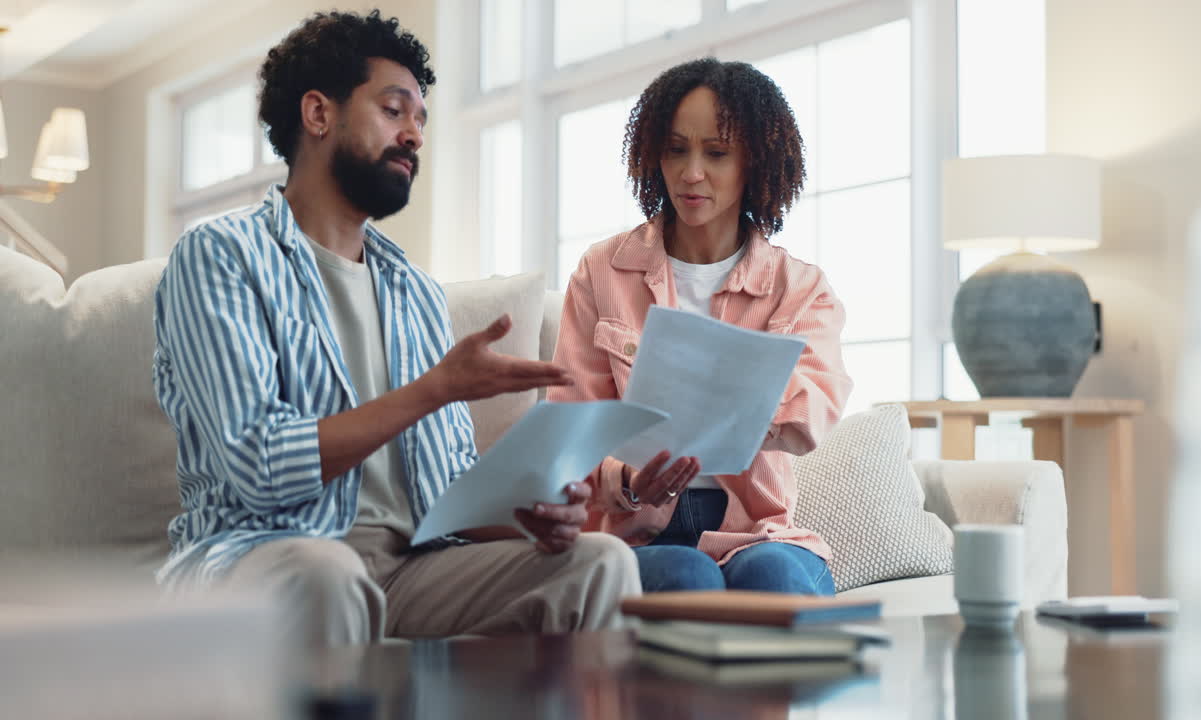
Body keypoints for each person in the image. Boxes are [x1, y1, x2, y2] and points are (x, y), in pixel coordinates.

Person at [152, 10, 640, 647]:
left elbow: (445, 493)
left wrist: (527, 518)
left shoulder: (413, 290)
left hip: (410, 569)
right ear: (318, 114)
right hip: (262, 556)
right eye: (393, 110)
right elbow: (259, 465)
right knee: (326, 575)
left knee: (601, 564)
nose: (413, 134)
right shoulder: (221, 255)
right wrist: (434, 389)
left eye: (421, 119)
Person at [548, 58, 852, 595]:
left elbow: (813, 416)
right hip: (637, 529)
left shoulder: (798, 287)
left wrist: (741, 392)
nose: (691, 173)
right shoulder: (602, 270)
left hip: (757, 531)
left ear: (753, 163)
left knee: (775, 576)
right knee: (686, 575)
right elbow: (571, 427)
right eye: (675, 149)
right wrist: (626, 479)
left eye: (716, 153)